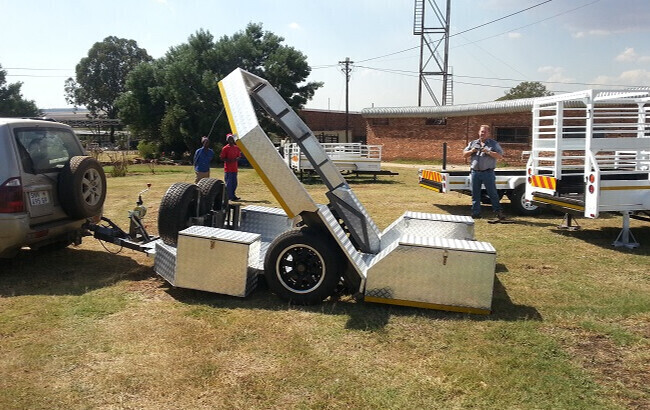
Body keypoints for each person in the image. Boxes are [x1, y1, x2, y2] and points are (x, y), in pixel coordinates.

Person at [462, 124, 505, 220]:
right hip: (475, 173)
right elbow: (464, 155)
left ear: (488, 133)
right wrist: (472, 151)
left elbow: (500, 156)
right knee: (475, 194)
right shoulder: (473, 143)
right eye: (481, 131)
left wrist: (488, 152)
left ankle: (498, 212)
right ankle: (475, 213)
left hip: (488, 173)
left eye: (485, 132)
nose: (483, 133)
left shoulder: (493, 144)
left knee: (492, 193)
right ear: (479, 132)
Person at [220, 133, 242, 201]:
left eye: (232, 139)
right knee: (228, 183)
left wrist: (237, 158)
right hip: (228, 169)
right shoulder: (225, 148)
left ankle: (233, 195)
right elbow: (222, 157)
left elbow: (239, 156)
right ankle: (229, 196)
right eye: (229, 139)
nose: (231, 140)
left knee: (234, 183)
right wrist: (228, 160)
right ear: (227, 140)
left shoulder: (236, 148)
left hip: (234, 168)